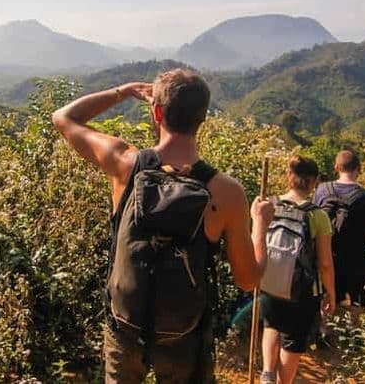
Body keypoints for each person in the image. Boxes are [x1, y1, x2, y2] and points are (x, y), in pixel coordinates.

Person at [52, 68, 275, 384]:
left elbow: (63, 118)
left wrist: (123, 91)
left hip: (124, 328)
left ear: (156, 112)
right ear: (203, 119)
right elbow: (248, 279)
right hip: (184, 337)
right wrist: (261, 226)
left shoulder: (124, 163)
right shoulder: (226, 192)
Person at [259, 155, 335, 384]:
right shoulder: (318, 215)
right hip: (302, 289)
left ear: (288, 176)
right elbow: (325, 262)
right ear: (314, 182)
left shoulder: (269, 205)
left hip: (269, 281)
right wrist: (330, 292)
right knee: (293, 339)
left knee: (271, 324)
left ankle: (267, 373)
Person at [314, 149, 365, 311]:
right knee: (359, 307)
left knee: (329, 304)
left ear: (336, 168)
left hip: (329, 259)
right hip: (358, 262)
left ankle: (330, 335)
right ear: (359, 168)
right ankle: (355, 335)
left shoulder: (322, 190)